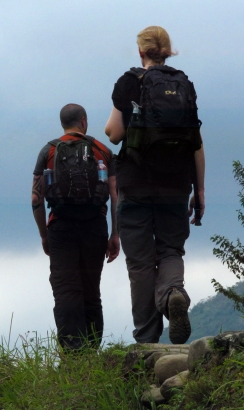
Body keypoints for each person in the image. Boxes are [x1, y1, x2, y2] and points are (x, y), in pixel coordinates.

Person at [104, 26, 206, 344]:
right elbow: (196, 143)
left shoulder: (130, 82)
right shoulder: (184, 85)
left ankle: (147, 340)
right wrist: (199, 191)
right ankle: (173, 293)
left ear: (141, 51)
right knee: (171, 251)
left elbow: (113, 133)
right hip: (177, 186)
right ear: (167, 51)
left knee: (141, 262)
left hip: (135, 186)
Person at [32, 103, 120, 351]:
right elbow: (115, 195)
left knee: (66, 290)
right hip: (95, 226)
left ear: (63, 123)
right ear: (84, 121)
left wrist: (44, 235)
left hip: (61, 228)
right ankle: (92, 352)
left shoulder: (48, 150)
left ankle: (73, 354)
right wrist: (115, 234)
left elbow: (36, 199)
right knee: (91, 290)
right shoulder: (103, 150)